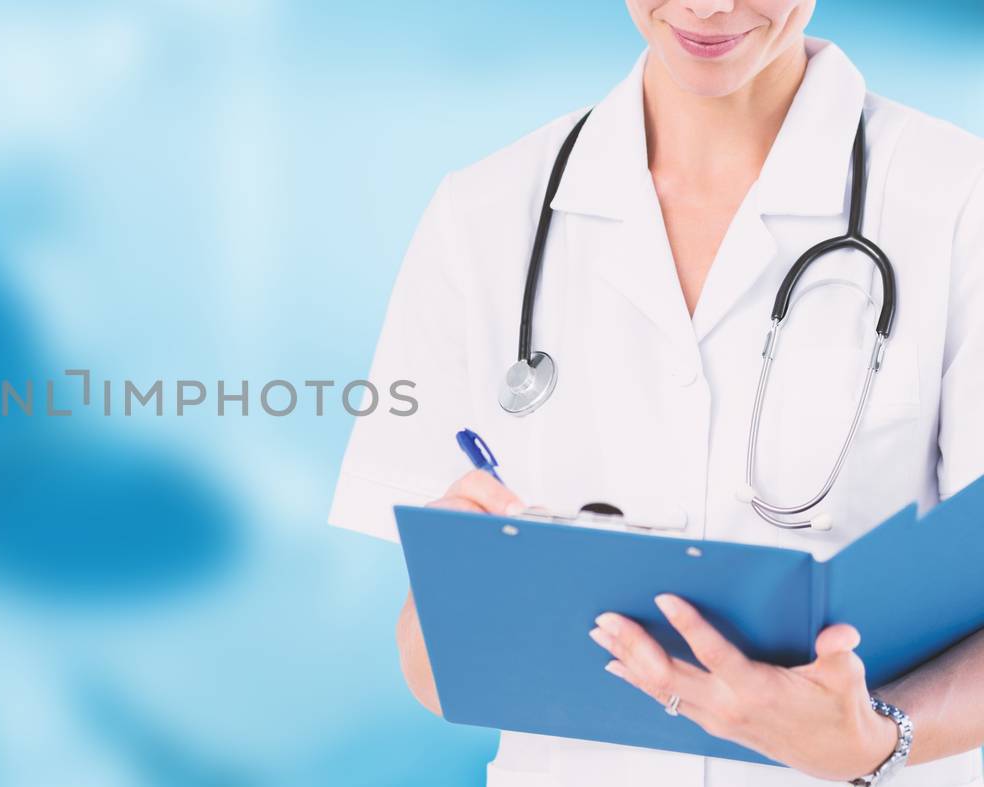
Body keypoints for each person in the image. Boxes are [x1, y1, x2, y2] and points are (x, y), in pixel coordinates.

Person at [327, 2, 984, 785]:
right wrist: (464, 585)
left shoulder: (956, 203)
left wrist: (877, 740)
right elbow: (431, 672)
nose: (708, 7)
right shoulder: (483, 213)